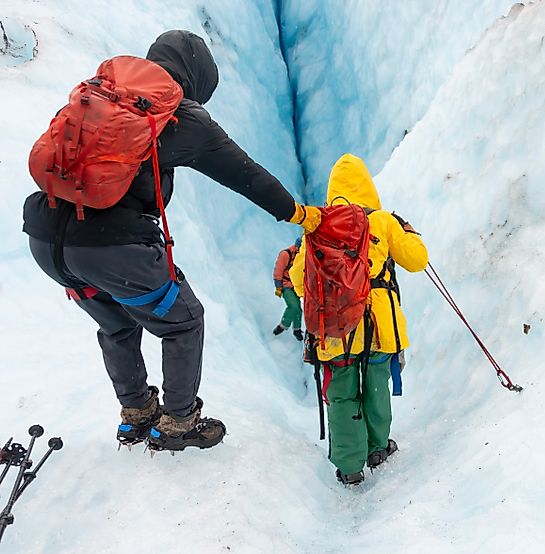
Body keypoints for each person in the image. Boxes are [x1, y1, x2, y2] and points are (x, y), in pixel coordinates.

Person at [22, 30, 320, 452]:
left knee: (118, 321)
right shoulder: (182, 116)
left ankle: (138, 413)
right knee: (183, 320)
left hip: (44, 236)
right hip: (111, 247)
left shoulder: (102, 96)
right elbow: (247, 176)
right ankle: (179, 423)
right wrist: (298, 213)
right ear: (194, 78)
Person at [290, 153, 427, 485]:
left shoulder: (320, 226)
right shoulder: (382, 221)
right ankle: (377, 449)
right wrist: (408, 231)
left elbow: (297, 280)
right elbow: (417, 260)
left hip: (336, 328)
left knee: (342, 395)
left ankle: (350, 467)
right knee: (376, 388)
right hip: (380, 327)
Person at [272, 237, 303, 340]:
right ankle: (282, 326)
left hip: (296, 286)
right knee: (294, 305)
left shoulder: (302, 256)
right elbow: (278, 270)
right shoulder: (285, 254)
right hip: (285, 285)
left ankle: (297, 330)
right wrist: (278, 287)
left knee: (298, 308)